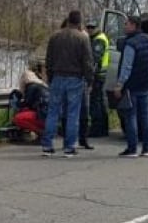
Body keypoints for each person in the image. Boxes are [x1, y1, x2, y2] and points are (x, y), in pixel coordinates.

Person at [42, 10, 94, 157]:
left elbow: (48, 60)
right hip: (75, 78)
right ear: (79, 22)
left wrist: (51, 77)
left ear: (68, 20)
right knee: (72, 114)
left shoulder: (55, 36)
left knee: (52, 112)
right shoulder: (82, 38)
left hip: (57, 77)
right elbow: (87, 62)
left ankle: (47, 145)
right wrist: (89, 80)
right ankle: (69, 147)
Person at [114, 15, 148, 158]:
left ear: (133, 25)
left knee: (130, 116)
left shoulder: (130, 44)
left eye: (126, 24)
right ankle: (147, 148)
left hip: (132, 85)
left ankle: (132, 148)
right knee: (145, 116)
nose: (125, 26)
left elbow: (127, 66)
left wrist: (119, 85)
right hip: (146, 83)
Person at [86, 21, 110, 138]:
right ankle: (103, 128)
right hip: (100, 74)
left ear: (97, 28)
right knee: (100, 102)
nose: (90, 29)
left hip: (97, 74)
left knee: (95, 102)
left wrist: (90, 76)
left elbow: (94, 59)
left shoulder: (99, 40)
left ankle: (97, 129)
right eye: (88, 27)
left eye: (92, 27)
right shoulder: (97, 38)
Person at [12, 69, 49, 134]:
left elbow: (27, 103)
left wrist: (16, 103)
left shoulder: (31, 87)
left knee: (17, 119)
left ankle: (42, 132)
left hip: (44, 117)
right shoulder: (43, 86)